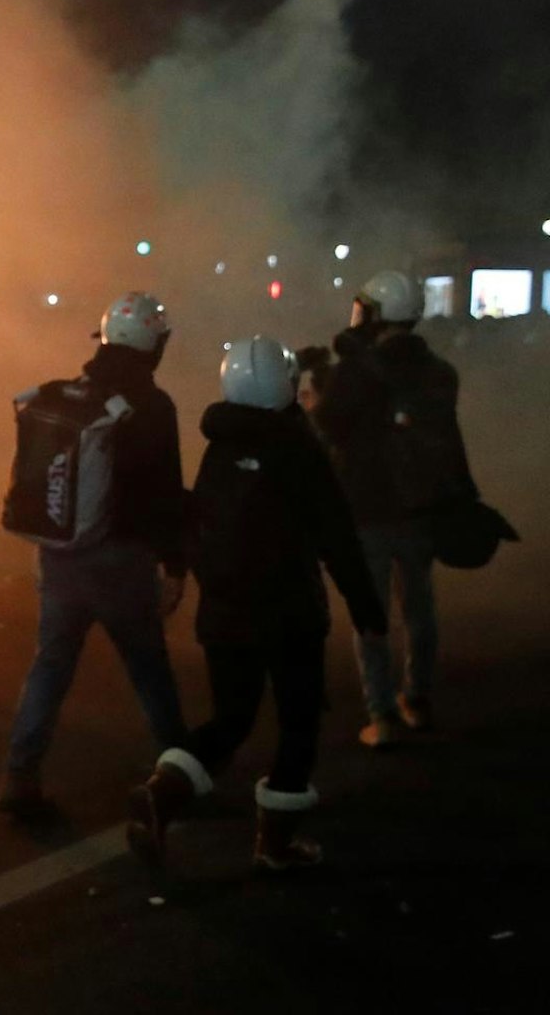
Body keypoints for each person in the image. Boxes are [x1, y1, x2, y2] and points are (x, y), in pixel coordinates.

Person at [126, 338, 389, 871]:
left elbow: (200, 526)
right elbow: (336, 536)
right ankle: (275, 844)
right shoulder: (298, 448)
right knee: (297, 723)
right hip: (289, 614)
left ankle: (163, 792)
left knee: (231, 718)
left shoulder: (219, 448)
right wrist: (366, 610)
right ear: (286, 386)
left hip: (224, 614)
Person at [0, 292, 191, 816]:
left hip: (60, 556)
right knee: (149, 667)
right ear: (155, 345)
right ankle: (180, 775)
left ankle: (20, 775)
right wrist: (175, 565)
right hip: (122, 561)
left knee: (51, 665)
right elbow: (165, 496)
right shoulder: (152, 407)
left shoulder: (69, 395)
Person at [316, 270, 475, 748]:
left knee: (372, 614)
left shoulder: (356, 370)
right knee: (420, 608)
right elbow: (448, 440)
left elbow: (327, 426)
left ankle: (380, 713)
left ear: (376, 312)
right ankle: (418, 699)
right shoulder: (441, 372)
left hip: (368, 509)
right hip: (422, 508)